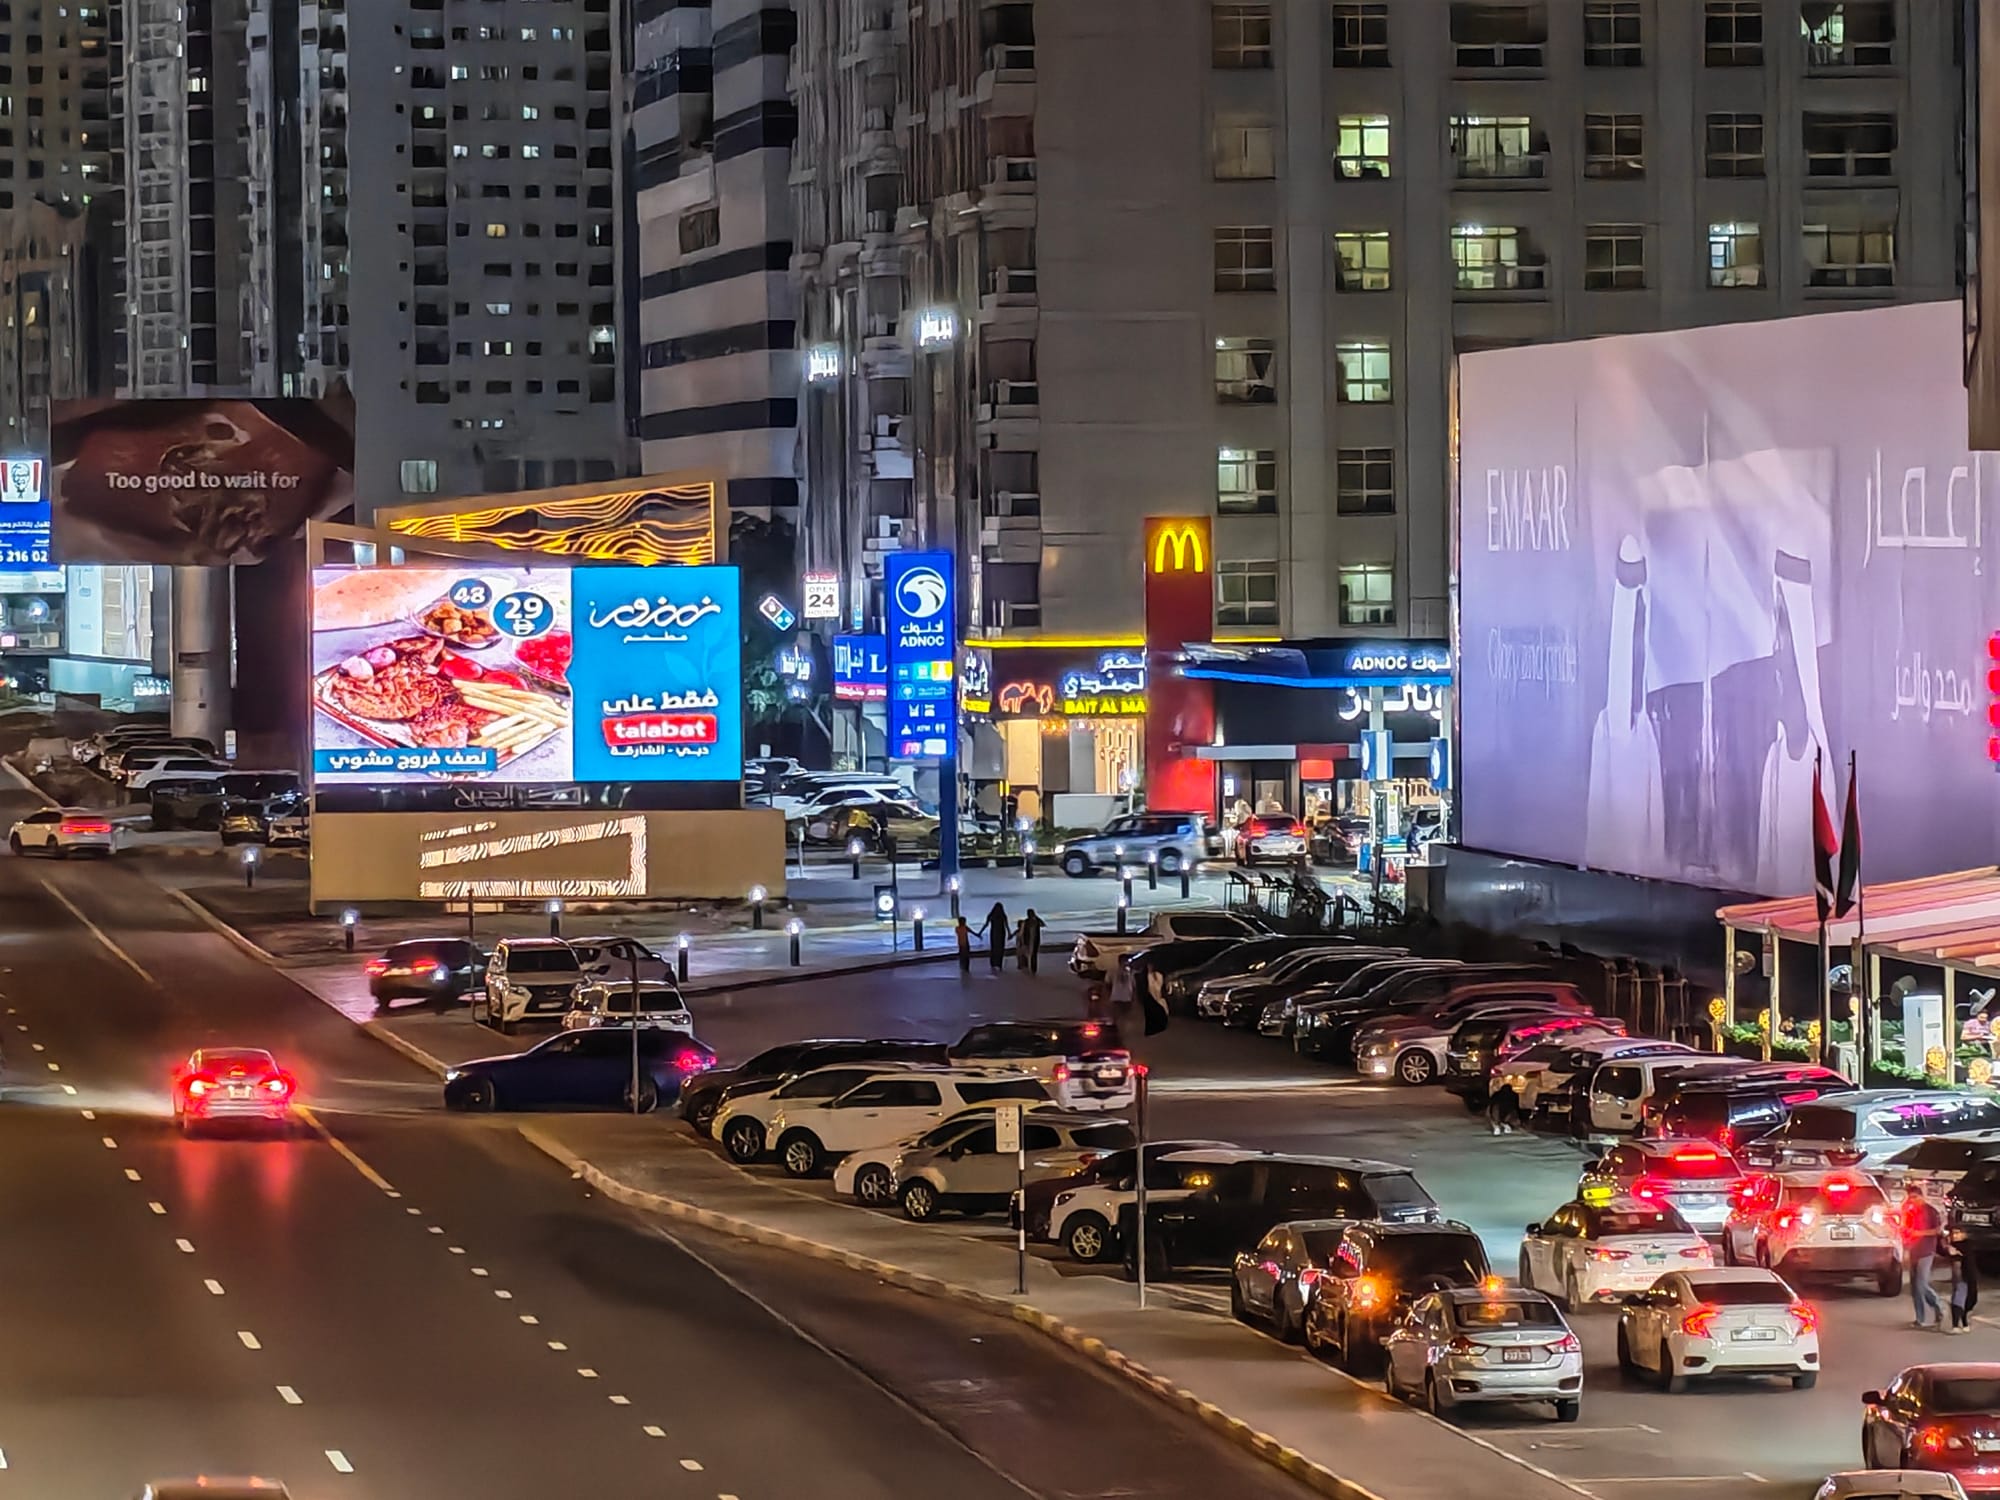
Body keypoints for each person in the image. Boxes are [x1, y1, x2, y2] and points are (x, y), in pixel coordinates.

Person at [1906, 1183, 1947, 1329]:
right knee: (1915, 1288)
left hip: (1926, 1251)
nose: (1912, 1200)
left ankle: (1938, 1306)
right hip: (1914, 1251)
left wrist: (1918, 1233)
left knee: (1921, 1284)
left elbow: (1937, 1230)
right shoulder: (1912, 1211)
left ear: (1921, 1196)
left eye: (1915, 1197)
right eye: (1910, 1198)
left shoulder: (1930, 1211)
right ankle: (1920, 1319)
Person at [1950, 1231, 1981, 1333]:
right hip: (1961, 1276)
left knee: (1972, 1299)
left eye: (1957, 1233)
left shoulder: (1969, 1245)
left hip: (1971, 1276)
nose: (1954, 1236)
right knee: (1958, 1298)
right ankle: (1955, 1325)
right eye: (1953, 1233)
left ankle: (1964, 1320)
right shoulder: (1953, 1246)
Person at [983, 901, 1010, 972]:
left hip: (994, 932)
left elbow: (986, 925)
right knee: (1000, 949)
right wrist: (1009, 934)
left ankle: (993, 963)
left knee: (994, 948)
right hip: (1001, 932)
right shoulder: (1003, 916)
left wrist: (979, 933)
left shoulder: (991, 915)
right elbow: (1007, 926)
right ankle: (999, 964)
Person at [1017, 908, 1045, 974]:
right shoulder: (1026, 922)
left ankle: (1033, 968)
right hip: (1029, 940)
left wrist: (1037, 918)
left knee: (1033, 954)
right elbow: (1022, 932)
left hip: (1035, 939)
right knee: (1031, 954)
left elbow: (1043, 924)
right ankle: (1031, 968)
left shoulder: (1036, 921)